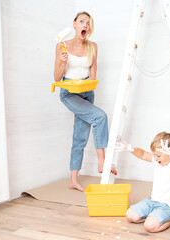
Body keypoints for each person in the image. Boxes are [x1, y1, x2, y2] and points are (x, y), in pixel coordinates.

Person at [54, 12, 116, 192]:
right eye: (82, 22)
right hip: (69, 93)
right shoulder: (62, 46)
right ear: (74, 24)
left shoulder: (93, 47)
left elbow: (93, 74)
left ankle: (73, 180)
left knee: (80, 137)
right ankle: (102, 162)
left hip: (87, 92)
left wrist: (87, 85)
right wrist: (63, 64)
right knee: (100, 117)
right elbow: (57, 78)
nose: (85, 25)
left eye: (88, 23)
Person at [115, 132, 170, 233]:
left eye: (159, 155)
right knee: (130, 215)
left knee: (150, 227)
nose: (155, 158)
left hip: (168, 206)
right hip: (152, 201)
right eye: (154, 155)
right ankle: (152, 217)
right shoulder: (157, 161)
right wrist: (130, 148)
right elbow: (143, 154)